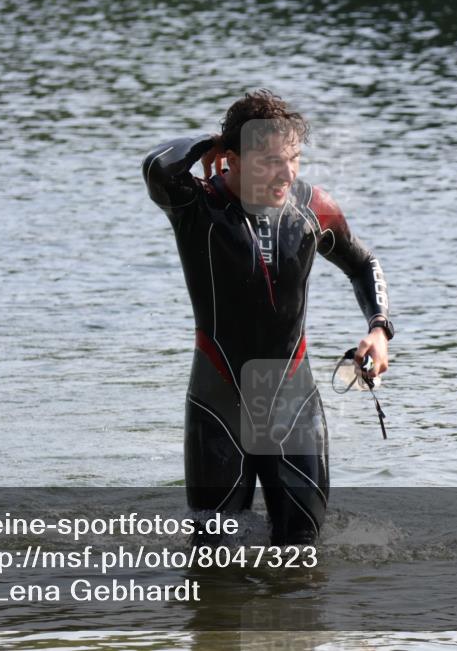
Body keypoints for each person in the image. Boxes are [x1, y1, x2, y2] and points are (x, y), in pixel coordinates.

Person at [142, 89, 393, 545]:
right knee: (215, 555)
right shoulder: (196, 206)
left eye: (293, 158)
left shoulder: (312, 210)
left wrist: (378, 329)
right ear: (231, 159)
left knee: (301, 548)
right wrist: (208, 141)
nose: (287, 172)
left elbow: (362, 263)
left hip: (292, 400)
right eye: (270, 161)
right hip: (218, 402)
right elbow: (157, 165)